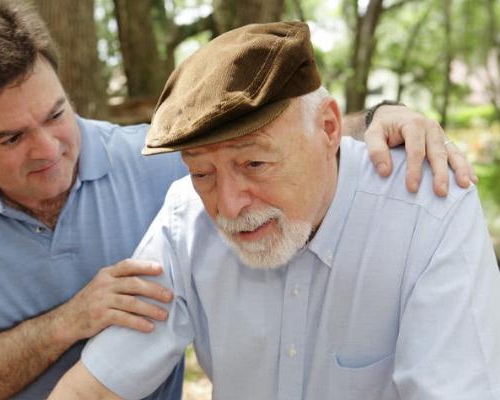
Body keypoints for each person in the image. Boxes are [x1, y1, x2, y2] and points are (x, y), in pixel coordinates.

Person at [0, 1, 473, 398]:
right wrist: (68, 322)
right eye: (10, 138)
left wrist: (383, 116)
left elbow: (276, 134)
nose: (48, 147)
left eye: (56, 114)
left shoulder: (153, 167)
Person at [50, 21, 500, 400]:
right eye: (202, 173)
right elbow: (91, 390)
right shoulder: (184, 220)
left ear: (328, 127)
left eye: (254, 163)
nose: (228, 206)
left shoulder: (427, 211)